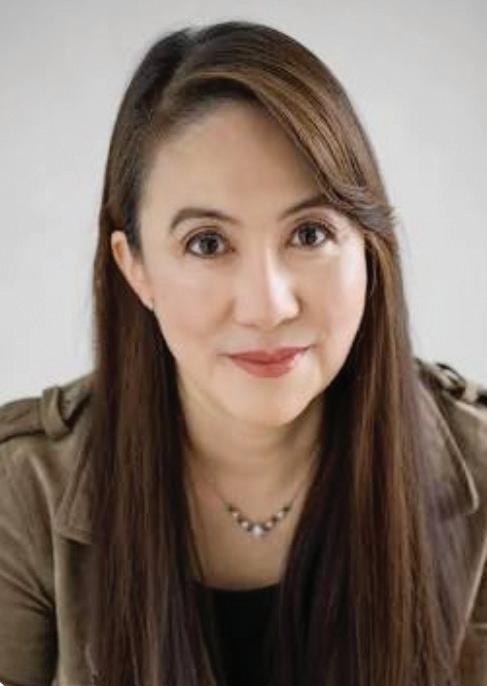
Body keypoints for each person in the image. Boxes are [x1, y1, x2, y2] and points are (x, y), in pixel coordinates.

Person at [0, 19, 486, 686]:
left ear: (368, 247)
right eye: (207, 243)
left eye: (309, 233)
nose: (267, 306)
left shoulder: (480, 473)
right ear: (134, 266)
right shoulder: (22, 492)